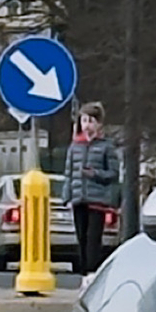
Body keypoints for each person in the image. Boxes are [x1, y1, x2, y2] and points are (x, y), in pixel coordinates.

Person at [67, 105, 124, 273]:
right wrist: (67, 196)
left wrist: (94, 174)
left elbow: (113, 173)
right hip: (79, 198)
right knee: (81, 237)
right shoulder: (75, 146)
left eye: (91, 121)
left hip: (97, 200)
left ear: (99, 124)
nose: (87, 125)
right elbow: (69, 173)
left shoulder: (106, 147)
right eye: (84, 120)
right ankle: (83, 270)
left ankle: (92, 270)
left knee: (93, 238)